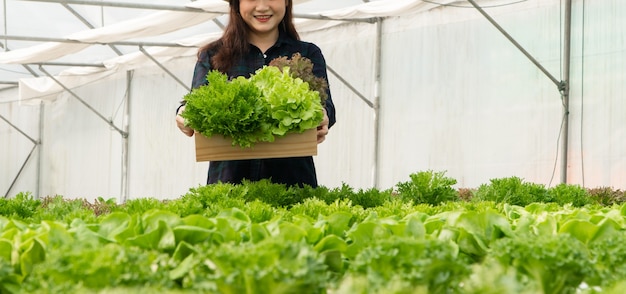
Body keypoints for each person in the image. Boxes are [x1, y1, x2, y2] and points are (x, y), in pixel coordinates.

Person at [176, 0, 336, 188]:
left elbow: (326, 106)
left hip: (292, 182)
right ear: (236, 4)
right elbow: (196, 101)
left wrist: (323, 115)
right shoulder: (213, 55)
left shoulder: (307, 53)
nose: (261, 7)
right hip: (229, 184)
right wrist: (184, 113)